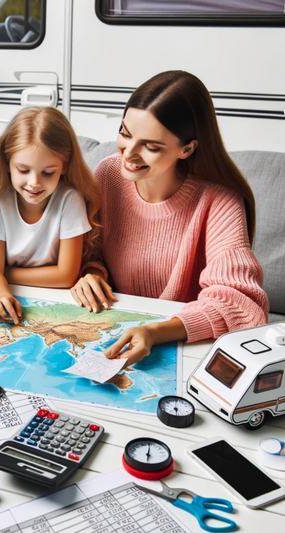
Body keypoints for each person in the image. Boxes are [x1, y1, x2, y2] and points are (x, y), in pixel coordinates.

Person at [71, 70, 269, 367]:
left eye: (151, 146)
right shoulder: (108, 174)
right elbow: (94, 249)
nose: (130, 154)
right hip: (112, 328)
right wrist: (92, 274)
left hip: (176, 342)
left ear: (187, 148)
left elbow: (241, 305)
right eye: (125, 133)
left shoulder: (220, 199)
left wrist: (154, 332)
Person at [0, 107, 100, 324]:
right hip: (18, 295)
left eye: (47, 172)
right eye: (23, 170)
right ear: (6, 164)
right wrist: (1, 295)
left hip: (56, 303)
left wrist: (2, 273)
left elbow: (66, 276)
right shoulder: (0, 200)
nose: (34, 183)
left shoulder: (69, 199)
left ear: (64, 167)